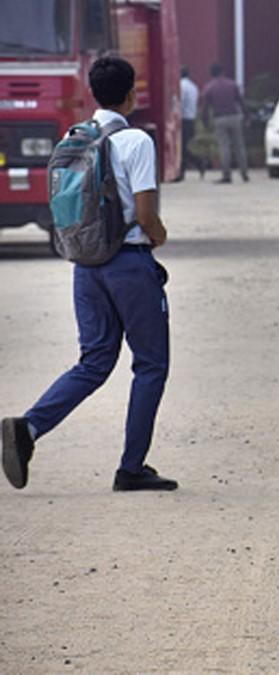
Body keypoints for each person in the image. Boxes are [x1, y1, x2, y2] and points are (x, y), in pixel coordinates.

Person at [2, 55, 175, 492]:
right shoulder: (136, 141)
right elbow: (145, 213)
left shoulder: (74, 137)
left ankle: (29, 428)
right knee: (151, 364)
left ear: (93, 94)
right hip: (129, 265)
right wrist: (159, 237)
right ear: (132, 93)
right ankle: (131, 468)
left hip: (86, 265)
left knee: (95, 361)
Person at [201, 63, 249, 183]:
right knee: (239, 146)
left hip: (220, 118)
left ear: (211, 74)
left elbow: (205, 107)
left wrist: (205, 121)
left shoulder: (209, 87)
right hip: (234, 116)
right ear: (222, 71)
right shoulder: (232, 84)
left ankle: (227, 175)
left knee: (224, 147)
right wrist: (247, 116)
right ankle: (244, 173)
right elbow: (241, 101)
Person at [174, 65, 203, 181]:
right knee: (184, 146)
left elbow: (180, 102)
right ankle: (197, 163)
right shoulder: (193, 86)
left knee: (181, 147)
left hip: (183, 119)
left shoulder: (181, 86)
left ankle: (184, 171)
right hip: (191, 118)